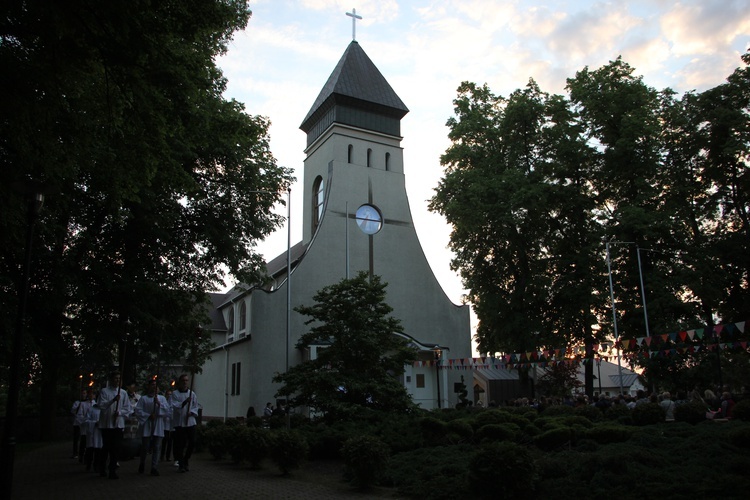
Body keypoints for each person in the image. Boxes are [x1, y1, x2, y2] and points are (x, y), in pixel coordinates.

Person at [97, 371, 132, 479]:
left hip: (118, 424)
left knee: (115, 448)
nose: (117, 380)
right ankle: (102, 468)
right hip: (107, 424)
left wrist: (120, 413)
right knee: (106, 447)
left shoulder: (123, 393)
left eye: (119, 379)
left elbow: (128, 408)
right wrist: (113, 400)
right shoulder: (104, 391)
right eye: (115, 378)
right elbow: (101, 406)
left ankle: (112, 469)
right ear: (112, 379)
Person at [135, 378, 170, 476]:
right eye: (152, 385)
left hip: (158, 424)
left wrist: (159, 404)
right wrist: (148, 415)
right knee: (145, 447)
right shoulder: (144, 398)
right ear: (149, 386)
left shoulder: (162, 398)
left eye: (155, 385)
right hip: (147, 424)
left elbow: (167, 410)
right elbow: (138, 410)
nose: (154, 387)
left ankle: (154, 466)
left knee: (157, 446)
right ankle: (142, 463)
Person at [171, 373, 199, 473]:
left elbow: (196, 406)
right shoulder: (175, 394)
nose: (185, 382)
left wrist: (192, 412)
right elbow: (174, 406)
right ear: (180, 382)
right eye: (183, 381)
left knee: (192, 441)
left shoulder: (192, 394)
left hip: (190, 422)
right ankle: (181, 464)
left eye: (187, 380)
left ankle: (186, 459)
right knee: (180, 444)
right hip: (180, 423)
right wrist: (184, 402)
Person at [84, 396, 103, 473]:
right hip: (92, 432)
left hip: (100, 433)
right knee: (90, 449)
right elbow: (86, 420)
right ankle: (88, 464)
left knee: (98, 450)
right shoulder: (91, 409)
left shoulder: (104, 410)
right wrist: (94, 423)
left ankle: (97, 465)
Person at [70, 389, 87, 459]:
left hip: (84, 423)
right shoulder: (77, 403)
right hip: (77, 422)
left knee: (84, 438)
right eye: (82, 393)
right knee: (76, 438)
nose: (83, 395)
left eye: (84, 393)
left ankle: (83, 451)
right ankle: (75, 453)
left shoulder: (87, 403)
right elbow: (73, 411)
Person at [160, 388, 174, 464]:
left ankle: (168, 456)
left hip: (171, 426)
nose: (169, 396)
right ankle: (162, 455)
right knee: (164, 440)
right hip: (165, 425)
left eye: (170, 394)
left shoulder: (172, 403)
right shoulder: (165, 402)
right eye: (168, 394)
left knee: (170, 441)